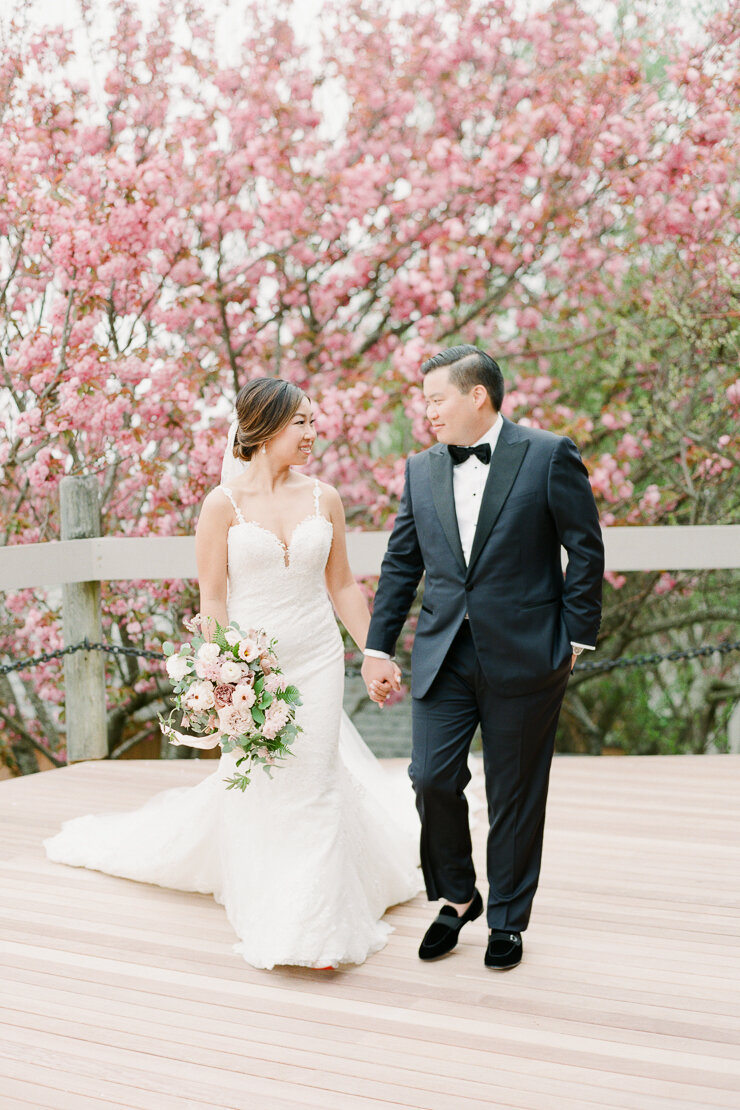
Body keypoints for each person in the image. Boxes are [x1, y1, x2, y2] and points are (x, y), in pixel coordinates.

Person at [45, 377, 421, 970]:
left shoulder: (325, 498)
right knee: (267, 786)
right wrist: (226, 675)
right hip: (254, 669)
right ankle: (274, 894)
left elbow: (343, 585)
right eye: (300, 422)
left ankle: (317, 928)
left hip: (319, 659)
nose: (312, 432)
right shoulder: (222, 505)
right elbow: (214, 599)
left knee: (317, 780)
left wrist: (374, 651)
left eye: (313, 420)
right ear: (265, 426)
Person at [361, 345, 604, 970]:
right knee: (431, 777)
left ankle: (508, 920)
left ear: (477, 396)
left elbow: (585, 546)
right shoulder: (419, 469)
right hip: (442, 653)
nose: (427, 412)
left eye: (436, 399)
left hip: (528, 655)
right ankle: (458, 894)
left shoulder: (549, 455)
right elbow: (401, 564)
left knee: (515, 792)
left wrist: (573, 640)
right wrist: (377, 645)